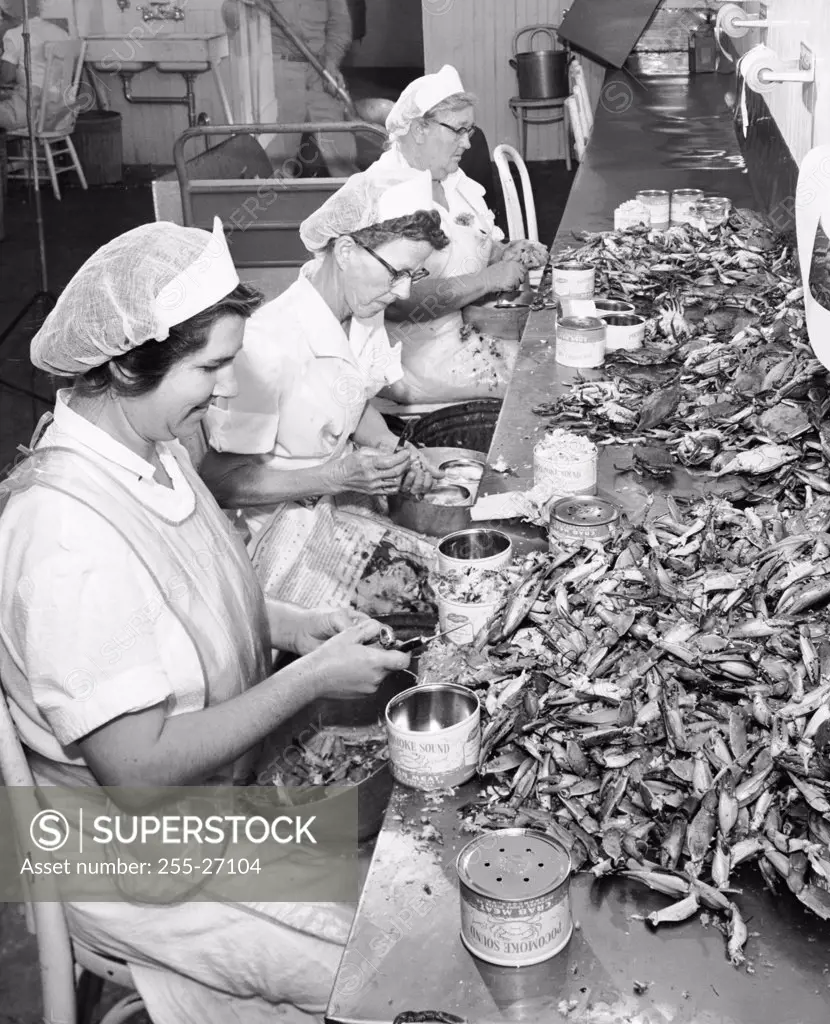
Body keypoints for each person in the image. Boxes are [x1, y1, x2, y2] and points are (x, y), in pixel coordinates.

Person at [0, 218, 411, 1024]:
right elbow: (139, 775)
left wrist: (294, 625)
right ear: (123, 363)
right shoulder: (64, 537)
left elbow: (189, 587)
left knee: (408, 876)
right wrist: (305, 682)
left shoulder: (151, 448)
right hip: (135, 858)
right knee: (391, 967)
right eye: (212, 367)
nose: (227, 389)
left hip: (220, 802)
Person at [200, 173, 448, 540]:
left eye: (415, 274)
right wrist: (335, 476)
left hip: (339, 506)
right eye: (397, 273)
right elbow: (222, 481)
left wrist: (393, 450)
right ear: (346, 250)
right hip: (279, 530)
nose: (404, 292)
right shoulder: (264, 344)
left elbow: (353, 403)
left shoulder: (364, 312)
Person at [326, 64, 549, 407]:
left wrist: (504, 252)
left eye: (470, 130)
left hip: (467, 332)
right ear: (419, 129)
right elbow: (400, 302)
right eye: (459, 130)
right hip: (416, 357)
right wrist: (488, 278)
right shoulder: (389, 194)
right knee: (534, 381)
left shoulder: (452, 180)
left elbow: (475, 244)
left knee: (546, 351)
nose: (468, 142)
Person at [267, 0, 358, 178]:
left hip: (319, 69)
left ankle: (349, 196)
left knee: (342, 153)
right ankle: (278, 199)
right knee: (278, 162)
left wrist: (331, 63)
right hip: (279, 68)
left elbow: (340, 24)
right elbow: (232, 15)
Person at [0, 0, 69, 131]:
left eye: (3, 16)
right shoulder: (61, 33)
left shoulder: (15, 34)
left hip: (28, 114)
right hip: (59, 112)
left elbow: (6, 78)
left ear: (11, 14)